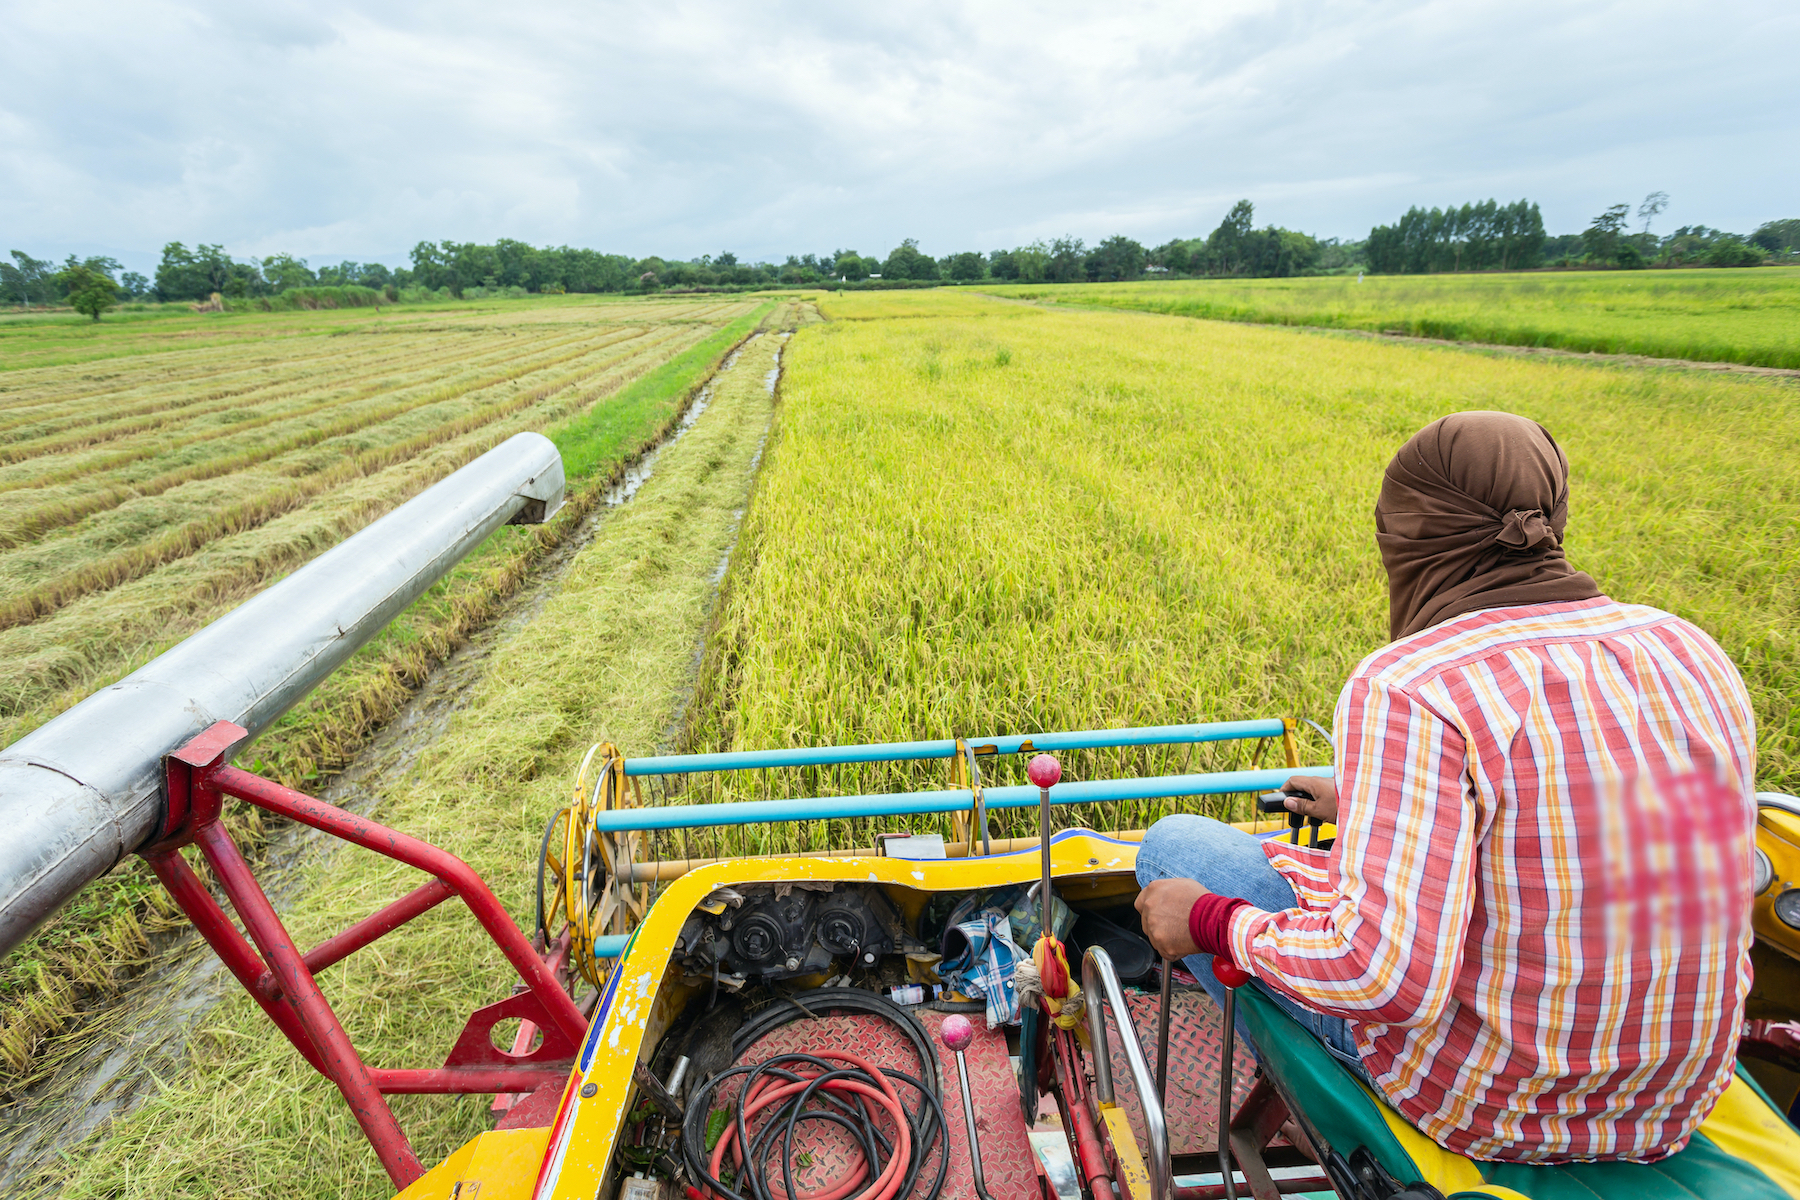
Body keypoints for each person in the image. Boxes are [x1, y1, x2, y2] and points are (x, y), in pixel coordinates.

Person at [1135, 410, 1756, 1164]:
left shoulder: (1412, 684)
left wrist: (1210, 920)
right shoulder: (1691, 648)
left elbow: (1386, 979)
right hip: (1673, 1100)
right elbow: (1581, 818)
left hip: (1492, 1106)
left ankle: (1325, 1089)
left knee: (1175, 848)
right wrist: (1367, 799)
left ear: (1409, 534)